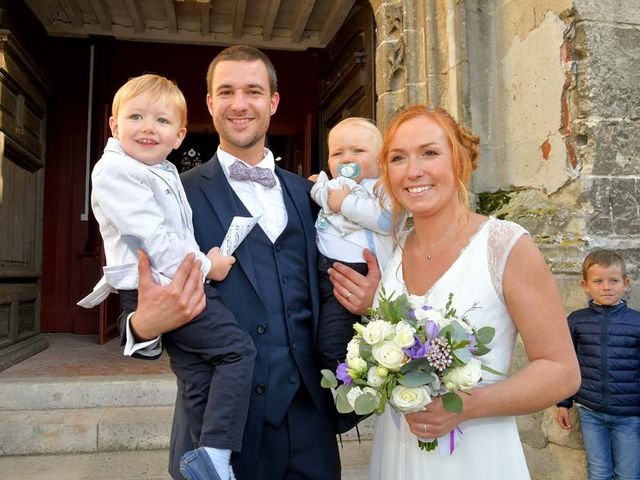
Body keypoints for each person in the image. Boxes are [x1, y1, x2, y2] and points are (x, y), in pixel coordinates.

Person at [119, 46, 381, 480]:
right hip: (218, 431)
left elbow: (361, 262)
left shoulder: (313, 196)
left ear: (273, 102)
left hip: (311, 428)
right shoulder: (167, 195)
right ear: (209, 103)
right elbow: (133, 307)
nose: (240, 104)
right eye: (226, 92)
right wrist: (145, 325)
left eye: (253, 91)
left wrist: (371, 301)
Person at [368, 104, 580, 478]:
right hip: (395, 454)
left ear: (459, 163)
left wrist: (465, 405)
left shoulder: (504, 246)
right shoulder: (394, 250)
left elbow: (561, 372)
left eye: (430, 153)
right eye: (398, 158)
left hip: (476, 458)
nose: (413, 171)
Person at [79, 73, 256, 480]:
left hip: (175, 277)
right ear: (114, 125)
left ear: (179, 136)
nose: (146, 128)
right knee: (237, 351)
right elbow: (156, 239)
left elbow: (178, 233)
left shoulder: (164, 171)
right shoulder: (115, 171)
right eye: (136, 116)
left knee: (196, 373)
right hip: (166, 286)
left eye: (161, 121)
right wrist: (208, 266)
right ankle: (214, 453)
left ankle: (201, 460)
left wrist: (202, 255)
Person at [311, 117, 396, 372]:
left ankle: (353, 385)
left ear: (380, 160)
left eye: (357, 151)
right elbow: (317, 198)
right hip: (322, 271)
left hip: (357, 272)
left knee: (332, 344)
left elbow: (385, 219)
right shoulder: (333, 184)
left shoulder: (382, 188)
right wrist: (318, 187)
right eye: (337, 153)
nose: (346, 159)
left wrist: (344, 203)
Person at [555, 249, 640, 480]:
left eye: (613, 281)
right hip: (590, 412)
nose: (606, 287)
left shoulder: (636, 322)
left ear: (626, 283)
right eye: (598, 281)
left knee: (629, 474)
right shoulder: (576, 320)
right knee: (599, 472)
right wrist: (564, 404)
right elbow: (567, 364)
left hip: (630, 414)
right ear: (586, 285)